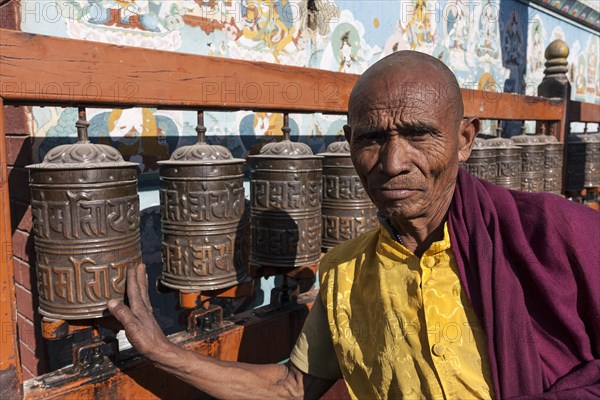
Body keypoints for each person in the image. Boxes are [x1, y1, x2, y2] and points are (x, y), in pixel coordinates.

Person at [108, 51, 600, 399]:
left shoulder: (548, 233)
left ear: (464, 139)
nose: (392, 162)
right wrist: (163, 352)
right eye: (371, 139)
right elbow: (291, 388)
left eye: (418, 134)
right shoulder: (345, 273)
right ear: (348, 142)